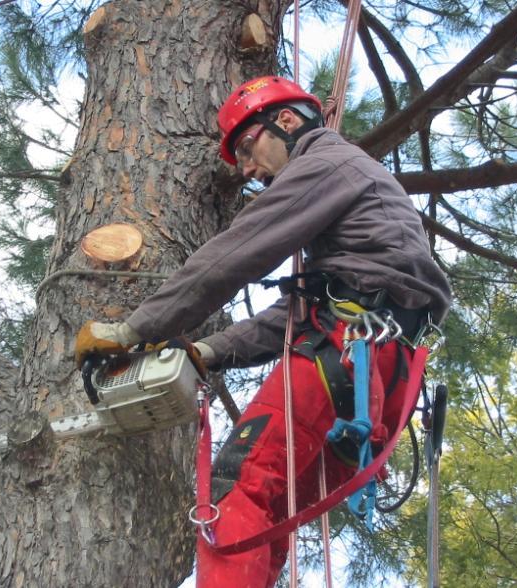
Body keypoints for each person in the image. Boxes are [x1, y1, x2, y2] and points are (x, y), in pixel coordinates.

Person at [74, 76, 452, 587]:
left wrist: (132, 329)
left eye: (249, 147)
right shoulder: (357, 235)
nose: (248, 169)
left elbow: (234, 254)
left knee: (236, 487)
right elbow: (299, 318)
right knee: (270, 508)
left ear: (288, 122)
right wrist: (206, 351)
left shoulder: (327, 163)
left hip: (350, 356)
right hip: (377, 375)